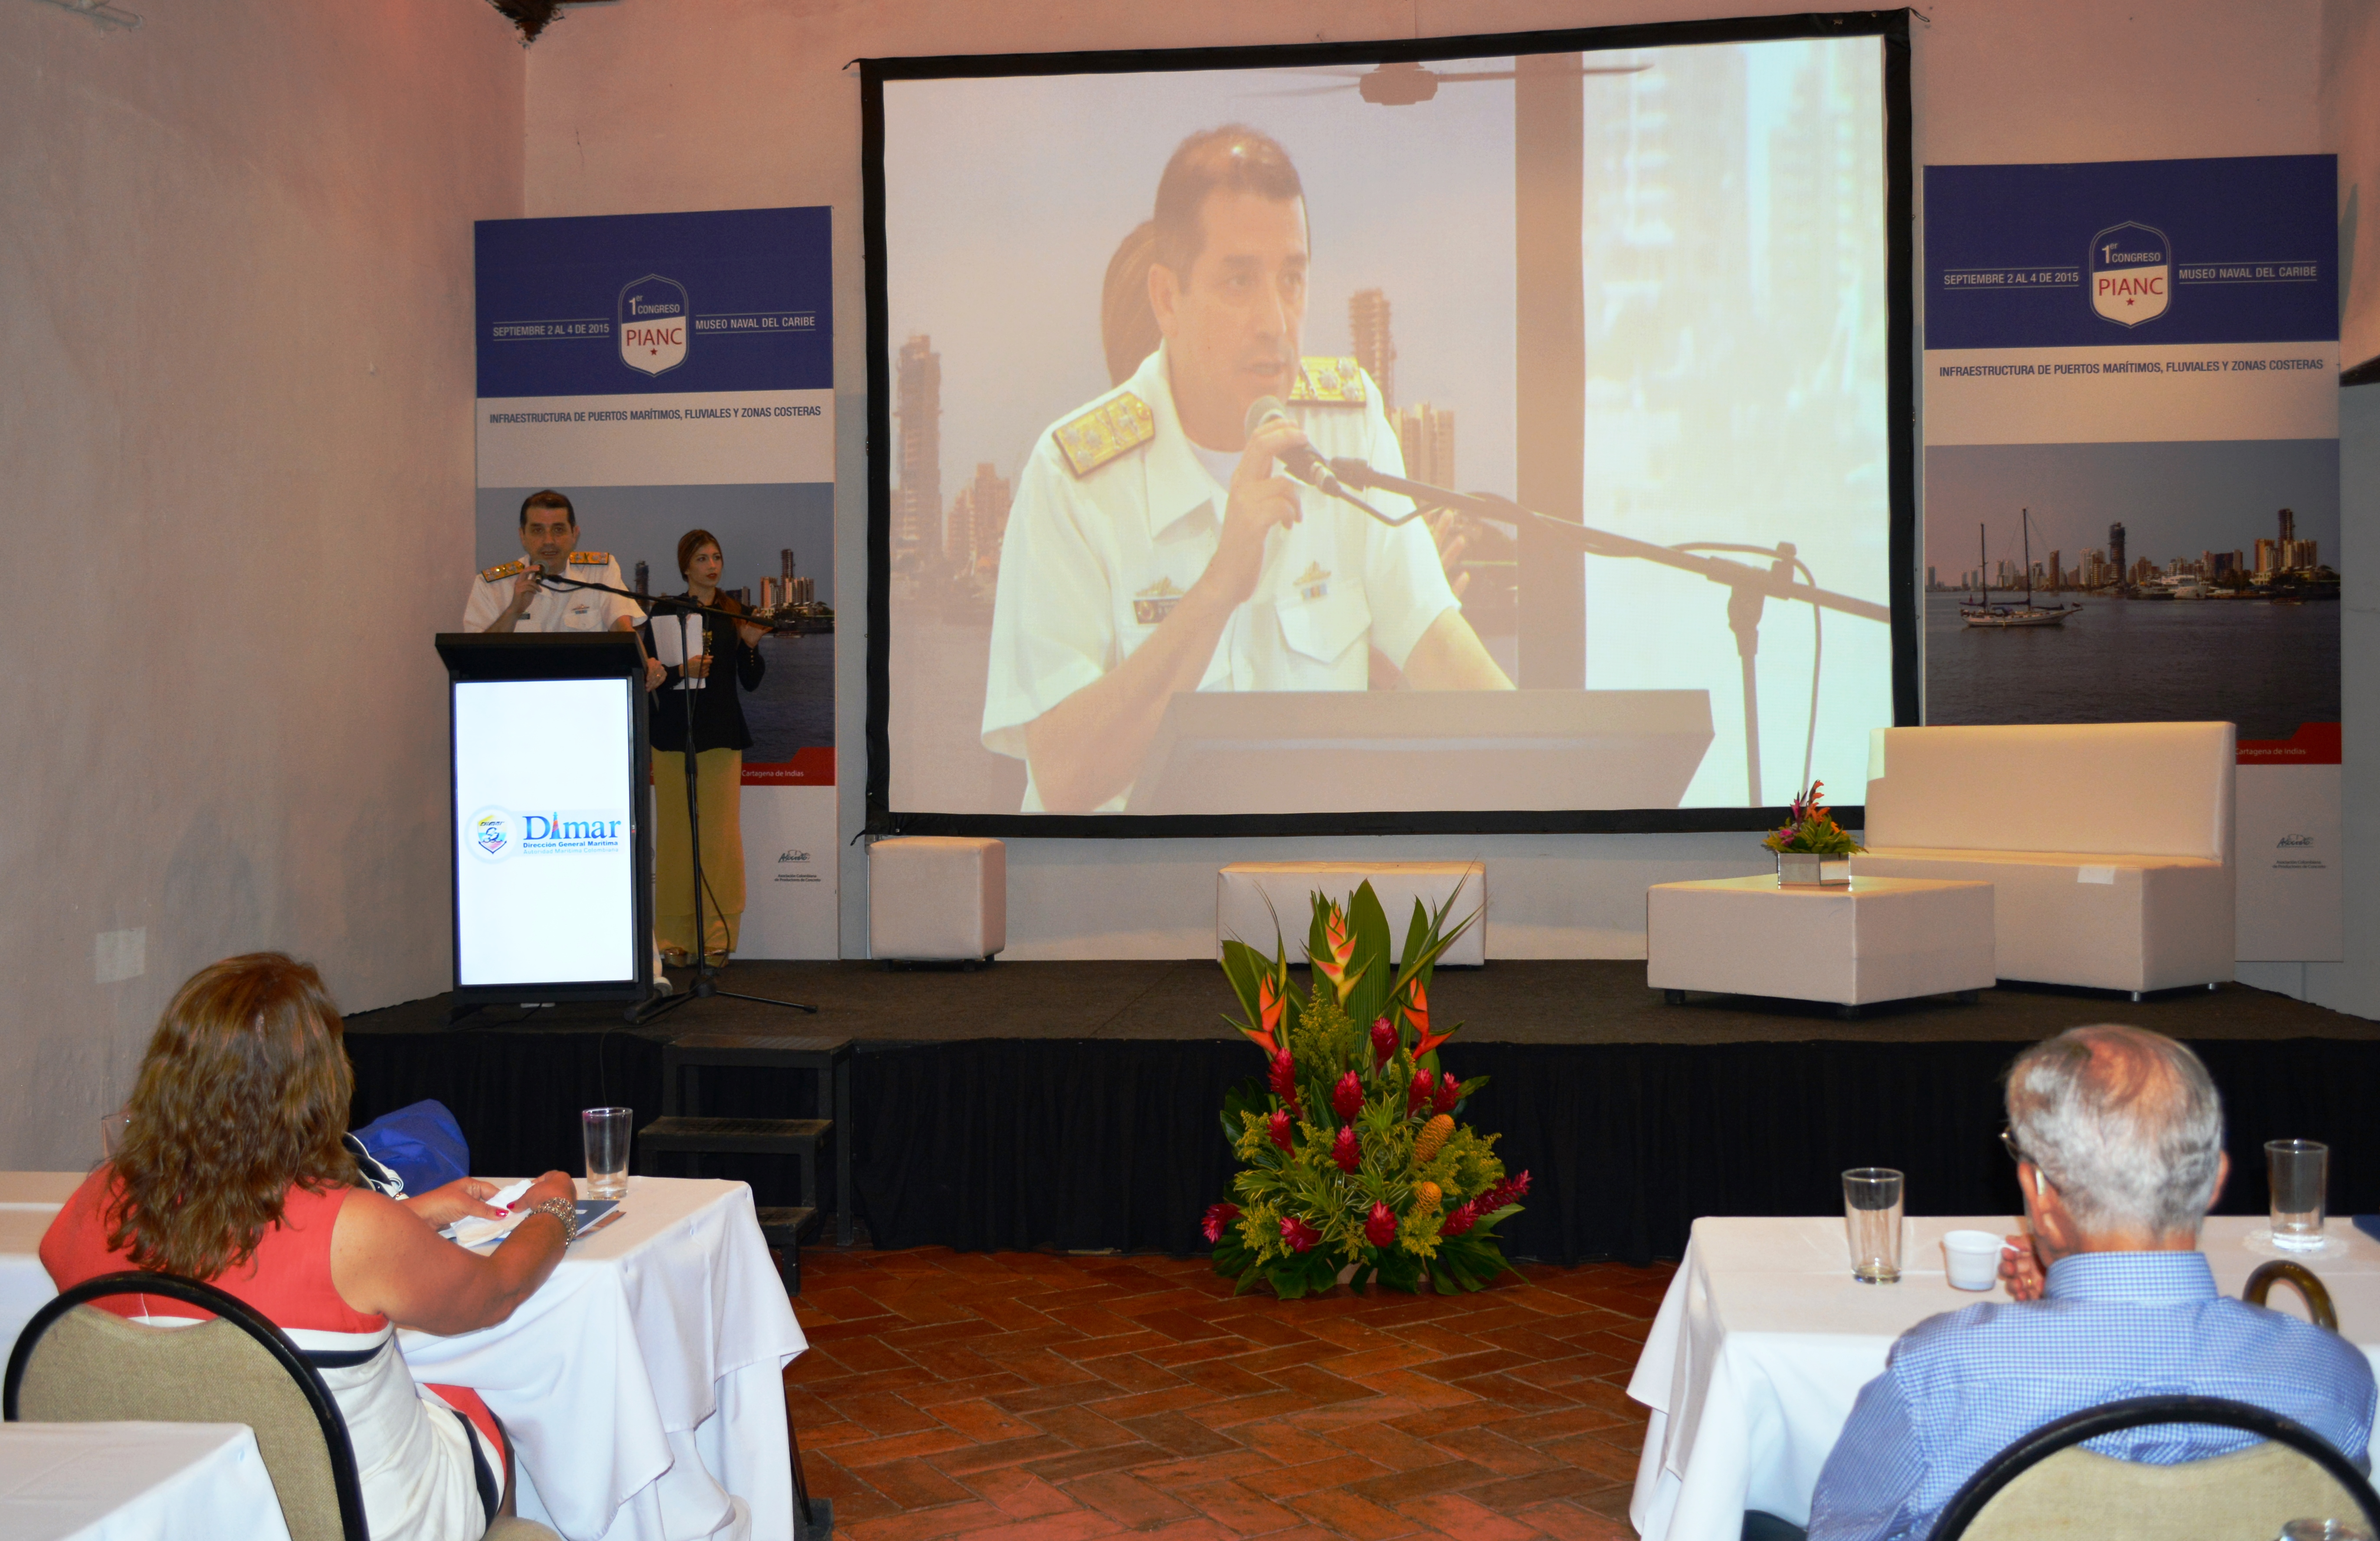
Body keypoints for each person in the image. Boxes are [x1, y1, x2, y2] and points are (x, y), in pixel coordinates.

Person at [983, 124, 1512, 813]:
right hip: (1132, 901)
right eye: (1239, 281)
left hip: (1318, 901)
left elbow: (1438, 645)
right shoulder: (1073, 476)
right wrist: (1217, 589)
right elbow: (1063, 774)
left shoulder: (1346, 430)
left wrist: (1570, 798)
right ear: (1168, 299)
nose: (1275, 319)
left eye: (1291, 280)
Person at [42, 954, 583, 1541]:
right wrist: (553, 1209)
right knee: (472, 1408)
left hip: (185, 1513)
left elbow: (220, 1254)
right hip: (354, 1522)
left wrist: (409, 1216)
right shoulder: (354, 1229)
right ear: (316, 1087)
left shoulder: (94, 1201)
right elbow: (497, 1292)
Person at [1801, 1024, 2376, 1541]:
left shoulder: (1940, 1372)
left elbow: (1840, 1532)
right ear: (2214, 1180)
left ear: (2039, 1195)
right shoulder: (2332, 1378)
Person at [640, 528, 769, 964]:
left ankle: (718, 937)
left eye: (716, 557)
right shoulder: (665, 611)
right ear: (685, 567)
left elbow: (750, 680)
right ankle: (672, 936)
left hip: (721, 735)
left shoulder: (737, 612)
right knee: (676, 837)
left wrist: (750, 647)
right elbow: (649, 677)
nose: (712, 566)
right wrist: (682, 669)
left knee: (719, 839)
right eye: (701, 559)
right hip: (672, 736)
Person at [464, 489, 665, 690]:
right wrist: (514, 611)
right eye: (538, 530)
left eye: (559, 530)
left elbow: (623, 630)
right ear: (522, 536)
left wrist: (646, 664)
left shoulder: (600, 573)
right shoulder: (492, 586)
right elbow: (476, 660)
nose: (549, 541)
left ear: (574, 534)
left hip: (588, 695)